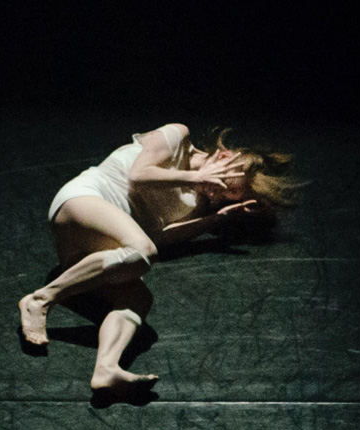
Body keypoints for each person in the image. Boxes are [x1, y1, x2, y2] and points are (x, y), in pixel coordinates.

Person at [18, 123, 295, 398]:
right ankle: (41, 299)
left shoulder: (198, 203)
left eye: (224, 196)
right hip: (81, 201)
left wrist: (215, 219)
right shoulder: (177, 138)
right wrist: (194, 177)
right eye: (221, 185)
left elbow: (159, 239)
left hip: (85, 250)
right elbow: (138, 176)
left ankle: (106, 369)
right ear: (224, 157)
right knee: (142, 251)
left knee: (139, 298)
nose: (215, 193)